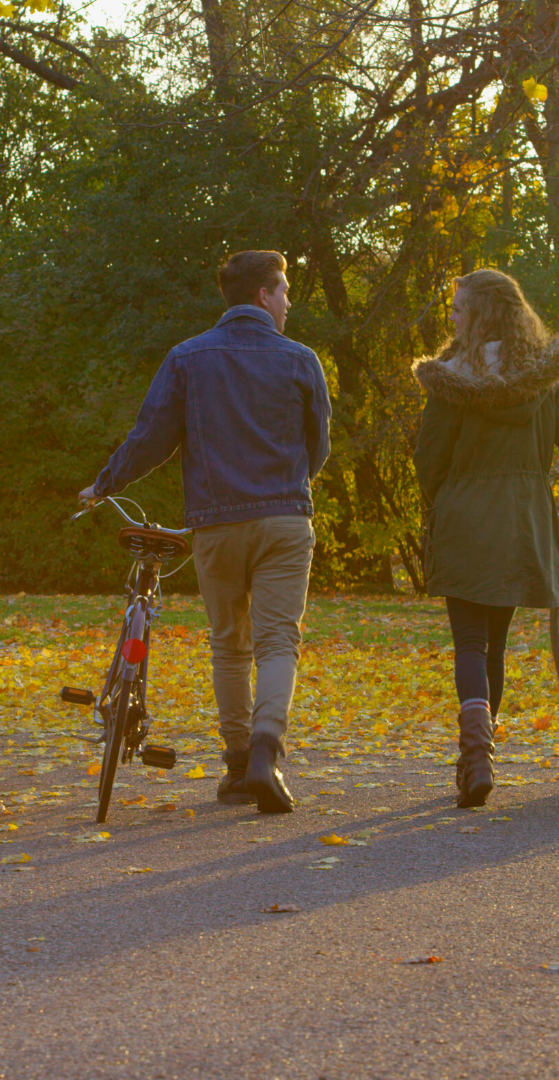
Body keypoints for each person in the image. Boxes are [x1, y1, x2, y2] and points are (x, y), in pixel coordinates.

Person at [77, 250, 331, 814]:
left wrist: (105, 483)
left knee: (229, 645)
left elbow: (152, 438)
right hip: (285, 520)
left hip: (217, 524)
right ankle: (267, 750)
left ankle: (239, 767)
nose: (289, 302)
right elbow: (319, 447)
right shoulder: (300, 359)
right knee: (277, 642)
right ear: (264, 295)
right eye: (284, 291)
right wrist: (287, 486)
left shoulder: (188, 358)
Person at [412, 269, 559, 809]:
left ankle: (476, 758)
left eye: (458, 308)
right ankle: (480, 754)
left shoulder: (452, 381)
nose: (451, 316)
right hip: (523, 528)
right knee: (493, 643)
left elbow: (429, 458)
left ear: (480, 315)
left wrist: (442, 500)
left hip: (466, 520)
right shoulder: (544, 379)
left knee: (469, 642)